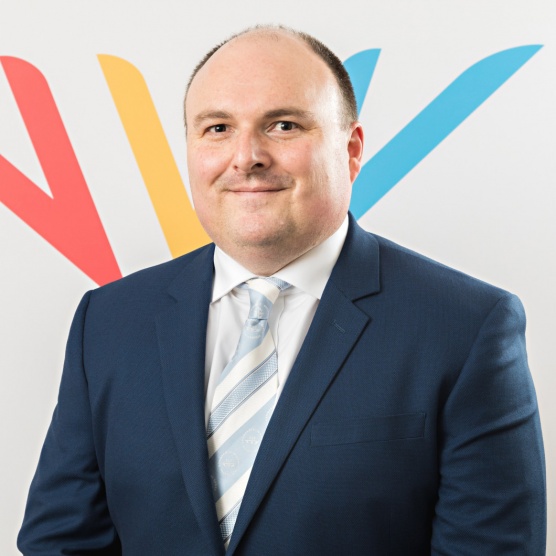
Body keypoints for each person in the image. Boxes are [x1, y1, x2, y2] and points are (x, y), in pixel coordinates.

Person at [18, 25, 546, 555]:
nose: (246, 156)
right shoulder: (108, 321)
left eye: (284, 125)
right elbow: (61, 542)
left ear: (351, 151)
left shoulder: (466, 328)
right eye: (218, 128)